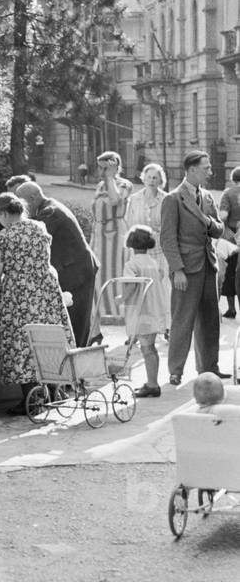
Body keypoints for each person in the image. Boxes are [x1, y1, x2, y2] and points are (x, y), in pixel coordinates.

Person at [0, 193, 74, 415]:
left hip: (19, 293)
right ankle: (55, 392)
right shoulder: (40, 227)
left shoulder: (3, 237)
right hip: (45, 288)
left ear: (4, 214)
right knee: (47, 337)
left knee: (20, 342)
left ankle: (31, 399)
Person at [160, 150, 228, 386]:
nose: (210, 172)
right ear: (191, 170)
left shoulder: (207, 196)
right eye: (206, 168)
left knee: (210, 319)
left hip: (208, 265)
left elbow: (219, 228)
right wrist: (177, 269)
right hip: (186, 269)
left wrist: (209, 222)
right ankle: (175, 370)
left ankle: (209, 368)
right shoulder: (172, 199)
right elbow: (167, 238)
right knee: (183, 319)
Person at [15, 181, 99, 347]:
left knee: (76, 323)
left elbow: (34, 238)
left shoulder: (50, 212)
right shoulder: (48, 207)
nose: (21, 210)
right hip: (74, 269)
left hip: (77, 272)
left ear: (32, 199)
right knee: (74, 321)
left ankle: (78, 362)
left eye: (21, 203)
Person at [124, 162, 171, 334]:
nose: (151, 180)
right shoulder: (134, 199)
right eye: (149, 177)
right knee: (138, 289)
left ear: (161, 180)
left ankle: (166, 327)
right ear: (143, 178)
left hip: (160, 249)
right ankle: (136, 331)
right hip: (139, 251)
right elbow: (129, 224)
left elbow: (169, 226)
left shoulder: (167, 199)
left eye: (155, 177)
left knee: (162, 288)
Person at [123, 226, 169, 398]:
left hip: (142, 311)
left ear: (131, 245)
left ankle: (152, 384)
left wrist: (122, 298)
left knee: (147, 348)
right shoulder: (153, 262)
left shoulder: (132, 264)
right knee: (150, 347)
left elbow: (130, 285)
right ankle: (152, 382)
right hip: (155, 309)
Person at [90, 151, 132, 316]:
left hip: (115, 233)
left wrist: (110, 177)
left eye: (105, 168)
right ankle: (100, 310)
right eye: (100, 168)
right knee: (98, 272)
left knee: (116, 270)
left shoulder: (124, 184)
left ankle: (119, 311)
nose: (101, 172)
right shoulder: (100, 186)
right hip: (99, 233)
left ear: (115, 166)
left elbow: (115, 200)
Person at [220, 166, 240, 317]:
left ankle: (232, 308)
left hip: (232, 239)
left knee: (230, 274)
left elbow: (223, 216)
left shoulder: (228, 194)